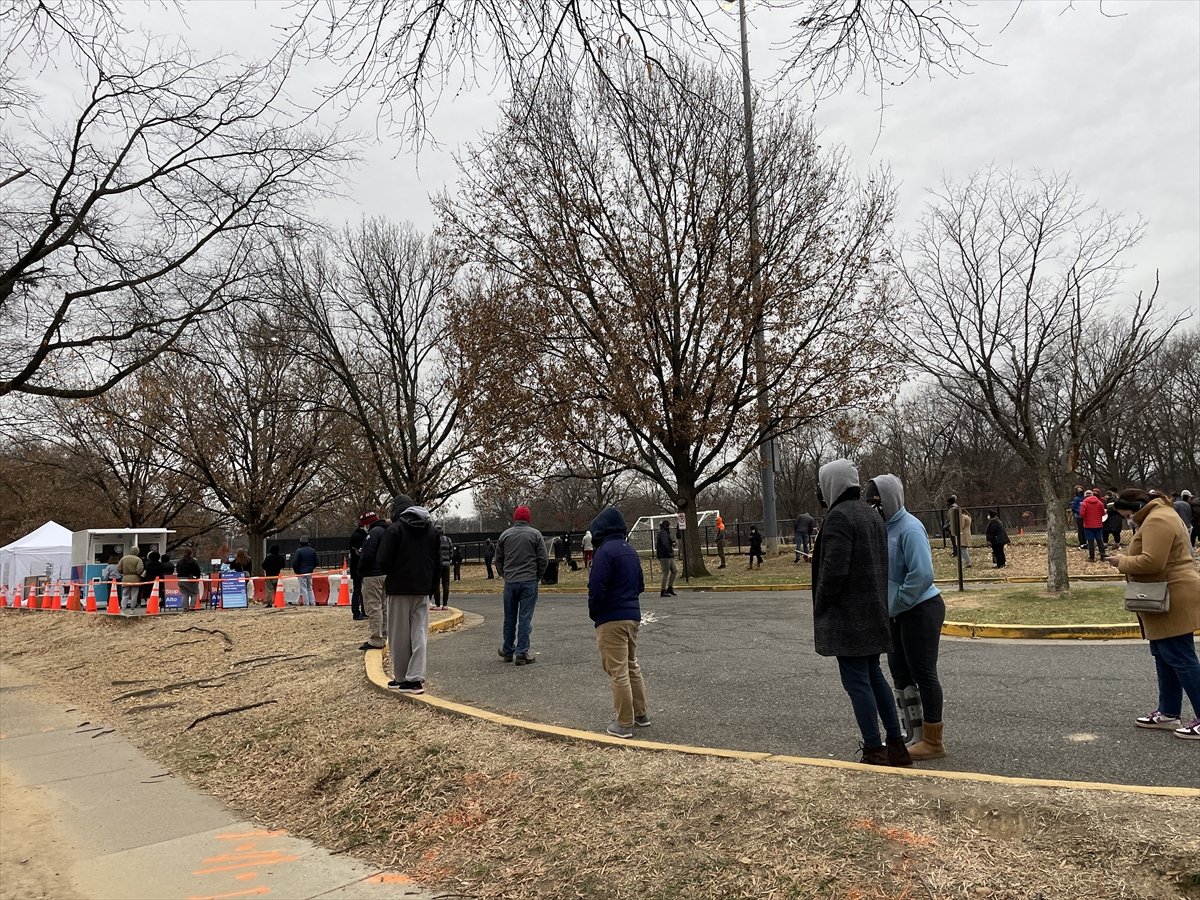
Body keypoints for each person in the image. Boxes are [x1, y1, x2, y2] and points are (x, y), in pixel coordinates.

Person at [813, 459, 911, 768]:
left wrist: (821, 602)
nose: (820, 491)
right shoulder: (872, 517)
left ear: (832, 485)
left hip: (849, 618)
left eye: (822, 484)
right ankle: (896, 745)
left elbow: (834, 571)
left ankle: (874, 748)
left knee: (857, 682)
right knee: (874, 676)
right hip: (874, 611)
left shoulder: (839, 518)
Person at [1108, 487, 1200, 741]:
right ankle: (1168, 712)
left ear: (1136, 507)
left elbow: (1152, 561)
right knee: (1164, 654)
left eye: (1126, 514)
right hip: (1164, 594)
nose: (1128, 519)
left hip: (1172, 594)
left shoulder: (1157, 519)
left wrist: (1122, 562)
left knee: (1180, 657)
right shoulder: (1159, 515)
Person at [867, 475, 946, 760]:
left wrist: (898, 601)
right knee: (900, 673)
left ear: (890, 498)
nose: (873, 506)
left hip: (921, 609)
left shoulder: (910, 528)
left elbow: (923, 574)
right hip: (896, 614)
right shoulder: (882, 528)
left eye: (876, 501)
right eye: (870, 502)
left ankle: (933, 740)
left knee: (923, 673)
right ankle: (913, 734)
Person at [587, 506, 649, 738]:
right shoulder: (629, 550)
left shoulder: (604, 552)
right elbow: (640, 584)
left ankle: (624, 723)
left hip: (611, 618)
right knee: (631, 664)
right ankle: (640, 713)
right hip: (632, 615)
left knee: (618, 670)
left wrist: (595, 612)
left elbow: (597, 587)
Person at [377, 495, 441, 694]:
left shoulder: (394, 530)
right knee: (419, 633)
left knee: (398, 635)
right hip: (422, 589)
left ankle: (402, 677)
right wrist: (432, 588)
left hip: (398, 588)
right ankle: (415, 678)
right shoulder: (432, 531)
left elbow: (383, 561)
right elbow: (437, 563)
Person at [495, 505, 547, 665]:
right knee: (525, 618)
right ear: (528, 519)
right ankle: (522, 652)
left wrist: (505, 574)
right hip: (529, 580)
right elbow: (543, 559)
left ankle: (508, 650)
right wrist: (537, 576)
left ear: (515, 518)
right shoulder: (535, 535)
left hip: (511, 581)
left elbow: (498, 559)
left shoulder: (505, 535)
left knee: (509, 618)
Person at [357, 512, 389, 651]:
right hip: (384, 573)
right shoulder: (386, 532)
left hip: (372, 575)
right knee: (384, 606)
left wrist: (361, 568)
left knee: (373, 606)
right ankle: (386, 634)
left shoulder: (373, 534)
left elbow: (368, 555)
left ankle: (376, 639)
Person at [349, 515, 371, 621]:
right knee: (358, 590)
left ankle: (362, 611)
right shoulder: (359, 536)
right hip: (358, 567)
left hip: (357, 566)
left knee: (360, 591)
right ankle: (357, 612)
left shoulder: (358, 535)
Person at [1080, 489, 1108, 561]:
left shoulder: (1084, 503)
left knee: (1090, 541)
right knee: (1100, 541)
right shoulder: (1099, 503)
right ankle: (1102, 556)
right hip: (1098, 525)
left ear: (1085, 496)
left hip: (1088, 525)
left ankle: (1092, 557)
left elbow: (1082, 514)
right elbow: (1103, 513)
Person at [292, 536, 318, 606]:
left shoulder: (299, 551)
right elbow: (317, 562)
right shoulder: (312, 550)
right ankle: (312, 602)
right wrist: (311, 568)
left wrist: (297, 571)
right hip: (309, 572)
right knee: (309, 587)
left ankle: (306, 603)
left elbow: (295, 563)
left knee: (303, 588)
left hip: (301, 572)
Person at [117, 546, 144, 612]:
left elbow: (119, 568)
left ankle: (123, 608)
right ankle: (132, 609)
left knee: (125, 594)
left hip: (125, 578)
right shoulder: (138, 559)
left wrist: (123, 572)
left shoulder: (123, 558)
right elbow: (139, 570)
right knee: (134, 595)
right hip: (135, 579)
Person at [655, 520, 677, 597]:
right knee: (666, 572)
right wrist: (670, 550)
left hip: (668, 555)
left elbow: (667, 542)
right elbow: (665, 544)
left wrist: (672, 542)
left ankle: (669, 588)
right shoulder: (663, 533)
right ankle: (663, 590)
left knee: (674, 570)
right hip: (664, 555)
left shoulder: (665, 533)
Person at [431, 526, 452, 610]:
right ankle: (445, 604)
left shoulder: (434, 540)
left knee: (436, 584)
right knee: (446, 584)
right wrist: (448, 559)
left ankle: (438, 604)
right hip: (446, 564)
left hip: (437, 565)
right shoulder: (448, 540)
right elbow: (451, 552)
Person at [1071, 485, 1087, 550]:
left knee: (1086, 529)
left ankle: (1086, 542)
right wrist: (1080, 512)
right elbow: (1074, 508)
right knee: (1081, 530)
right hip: (1079, 517)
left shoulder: (1085, 498)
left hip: (1086, 516)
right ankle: (1082, 543)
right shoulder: (1076, 499)